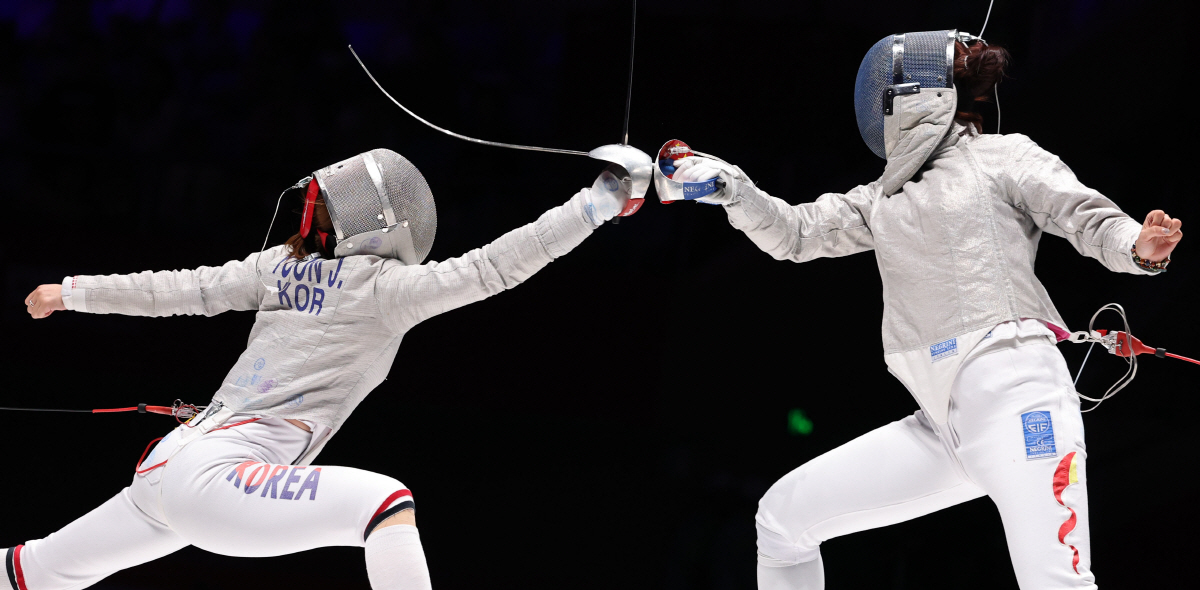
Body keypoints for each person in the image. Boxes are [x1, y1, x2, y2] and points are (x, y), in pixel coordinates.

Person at [670, 31, 1183, 590]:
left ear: (906, 95)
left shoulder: (1003, 157)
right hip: (943, 425)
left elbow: (1084, 215)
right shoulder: (881, 199)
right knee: (781, 520)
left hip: (1021, 403)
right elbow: (794, 233)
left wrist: (1137, 245)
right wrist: (730, 189)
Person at [11, 148, 639, 590]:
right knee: (384, 503)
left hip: (168, 470)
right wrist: (600, 201)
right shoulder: (385, 288)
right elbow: (494, 267)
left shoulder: (280, 268)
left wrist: (72, 291)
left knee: (31, 571)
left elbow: (184, 290)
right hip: (216, 480)